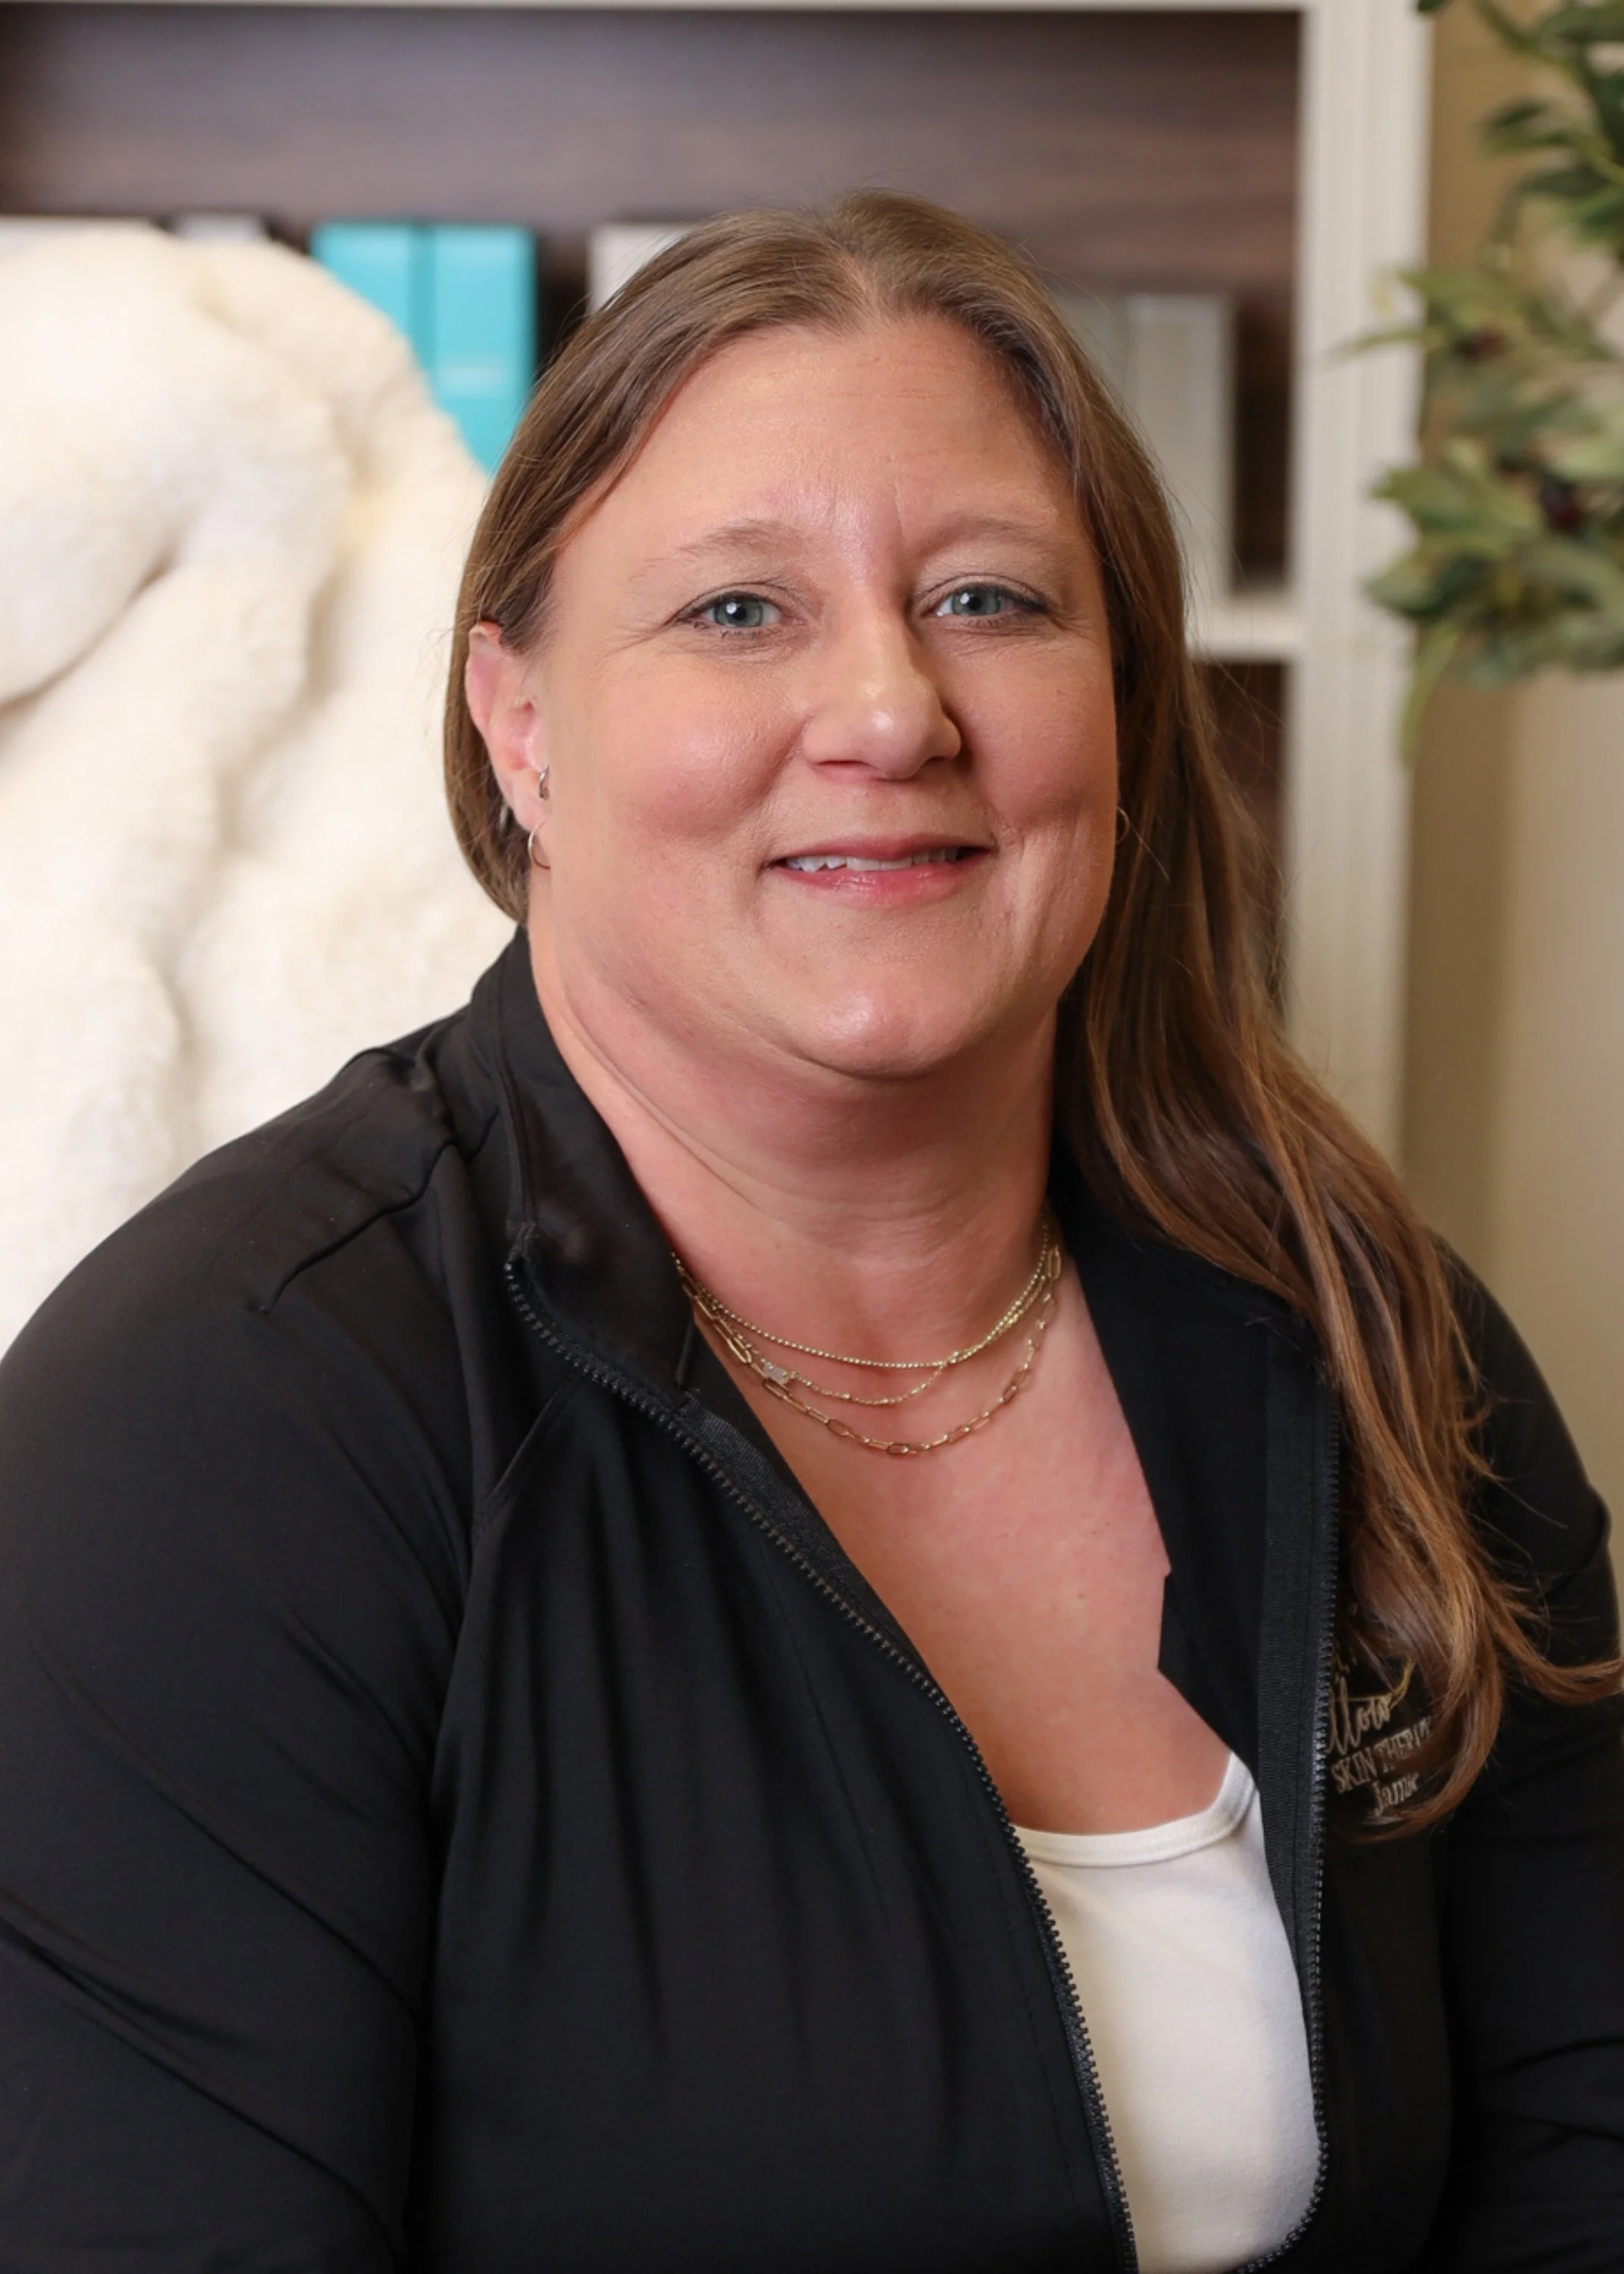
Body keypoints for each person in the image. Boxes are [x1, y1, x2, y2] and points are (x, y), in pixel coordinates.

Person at [0, 193, 1618, 2274]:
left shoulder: (1364, 1335)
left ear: (1122, 697)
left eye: (986, 598)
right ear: (516, 721)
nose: (887, 710)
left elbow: (1578, 2149)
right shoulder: (216, 1425)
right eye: (737, 613)